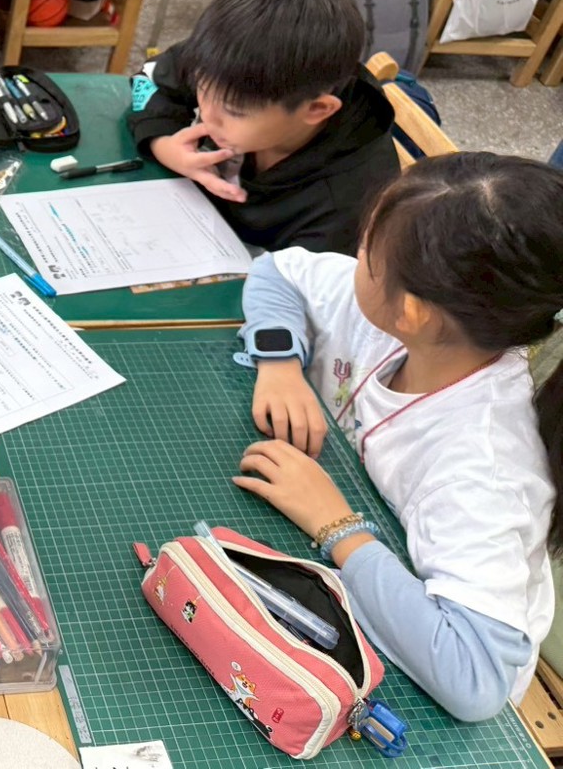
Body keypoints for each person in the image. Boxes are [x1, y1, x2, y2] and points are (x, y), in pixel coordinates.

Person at [231, 152, 563, 720]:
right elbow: (277, 272)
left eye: (365, 252)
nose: (353, 259)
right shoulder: (410, 325)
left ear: (412, 312)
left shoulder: (484, 469)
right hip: (370, 574)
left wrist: (337, 526)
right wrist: (280, 362)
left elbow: (475, 680)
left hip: (424, 681)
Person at [127, 0, 398, 254]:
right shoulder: (232, 60)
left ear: (317, 109)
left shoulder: (348, 206)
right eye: (201, 90)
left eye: (234, 111)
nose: (207, 115)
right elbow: (150, 79)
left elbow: (295, 280)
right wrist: (164, 146)